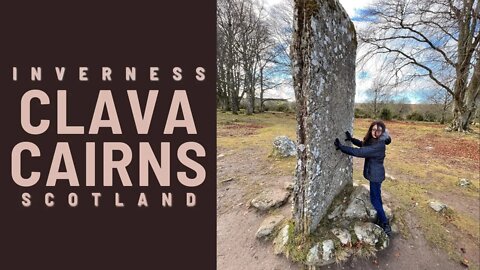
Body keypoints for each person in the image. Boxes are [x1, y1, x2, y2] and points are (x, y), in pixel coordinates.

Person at [333, 120, 392, 236]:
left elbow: (360, 152)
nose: (375, 132)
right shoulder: (375, 141)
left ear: (382, 132)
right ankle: (382, 218)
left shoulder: (379, 145)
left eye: (379, 130)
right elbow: (363, 145)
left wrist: (341, 147)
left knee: (375, 200)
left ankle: (385, 223)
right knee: (377, 197)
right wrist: (351, 139)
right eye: (373, 129)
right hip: (376, 174)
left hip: (375, 176)